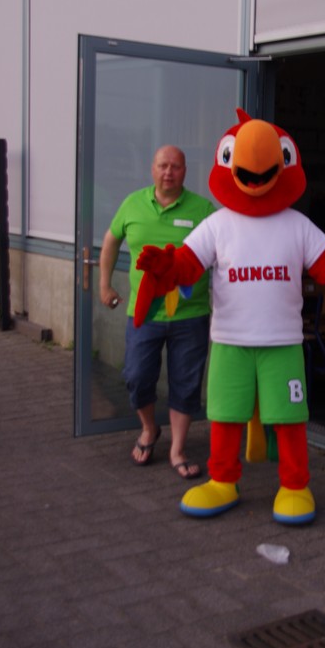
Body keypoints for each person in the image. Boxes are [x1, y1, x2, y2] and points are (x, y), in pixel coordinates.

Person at [99, 145, 215, 477]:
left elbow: (222, 254)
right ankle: (149, 428)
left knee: (186, 383)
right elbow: (110, 241)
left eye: (175, 166)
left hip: (190, 315)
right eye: (163, 165)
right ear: (152, 169)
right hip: (144, 313)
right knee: (136, 376)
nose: (168, 172)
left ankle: (178, 449)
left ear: (184, 171)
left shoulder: (203, 210)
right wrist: (105, 284)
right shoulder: (132, 204)